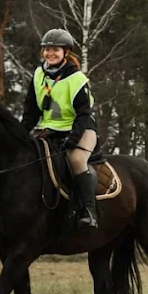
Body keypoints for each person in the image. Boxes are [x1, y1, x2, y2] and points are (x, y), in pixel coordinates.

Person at [20, 28, 99, 230]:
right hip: (50, 130)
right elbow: (31, 111)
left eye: (55, 49)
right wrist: (19, 135)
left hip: (80, 130)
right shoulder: (38, 75)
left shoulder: (77, 78)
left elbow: (83, 113)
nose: (50, 53)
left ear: (66, 52)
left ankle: (89, 212)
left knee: (75, 159)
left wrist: (73, 139)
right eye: (47, 49)